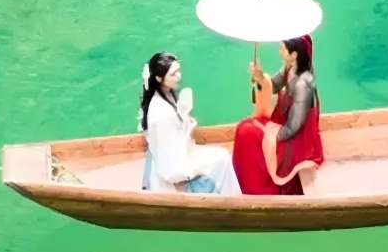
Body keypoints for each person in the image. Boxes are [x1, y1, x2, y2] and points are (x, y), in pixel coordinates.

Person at [139, 51, 240, 194]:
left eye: (178, 71)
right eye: (173, 74)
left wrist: (185, 122)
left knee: (221, 156)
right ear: (159, 78)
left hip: (172, 155)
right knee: (223, 159)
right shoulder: (163, 114)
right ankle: (227, 198)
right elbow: (172, 166)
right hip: (174, 166)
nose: (179, 76)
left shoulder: (161, 96)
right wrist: (186, 131)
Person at [247, 34, 326, 192]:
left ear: (294, 55)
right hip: (285, 123)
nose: (280, 52)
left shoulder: (303, 84)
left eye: (283, 49)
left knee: (255, 137)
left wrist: (271, 137)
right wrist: (260, 77)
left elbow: (294, 126)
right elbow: (273, 85)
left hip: (297, 136)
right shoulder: (289, 68)